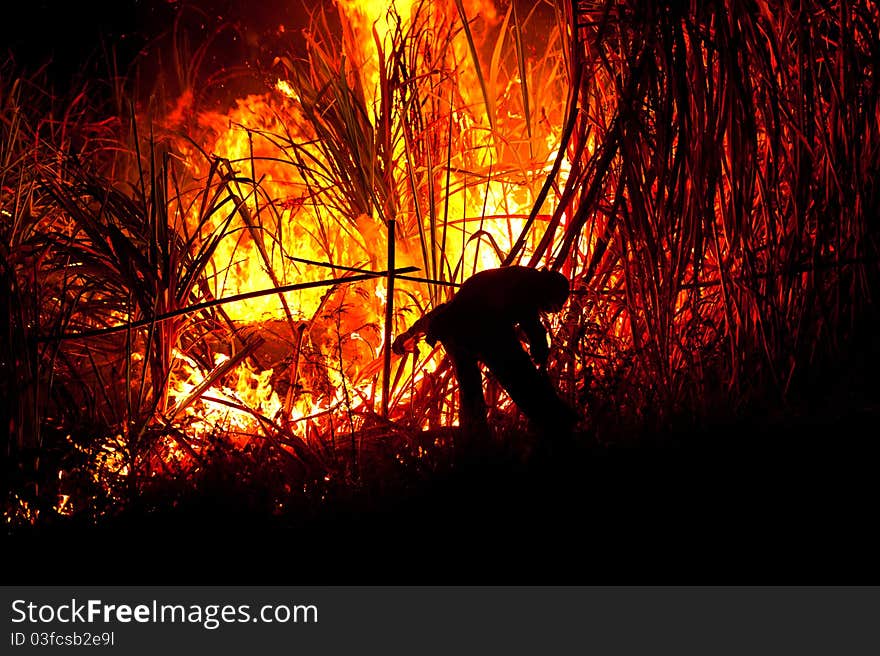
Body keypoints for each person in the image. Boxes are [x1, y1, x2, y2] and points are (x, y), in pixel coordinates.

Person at [392, 266, 577, 443]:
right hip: (483, 327)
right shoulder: (529, 283)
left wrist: (409, 335)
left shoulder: (517, 280)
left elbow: (442, 312)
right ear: (549, 290)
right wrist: (540, 347)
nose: (556, 310)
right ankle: (554, 422)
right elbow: (531, 323)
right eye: (555, 305)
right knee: (519, 377)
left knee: (472, 391)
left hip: (460, 328)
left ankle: (475, 438)